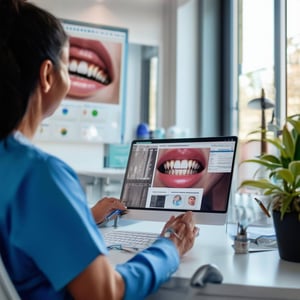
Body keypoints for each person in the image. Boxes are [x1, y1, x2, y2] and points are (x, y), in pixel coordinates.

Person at [0, 1, 199, 299]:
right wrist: (170, 246)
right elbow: (105, 292)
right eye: (66, 64)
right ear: (47, 75)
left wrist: (82, 216)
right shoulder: (40, 175)